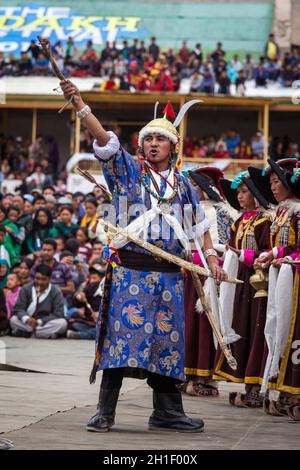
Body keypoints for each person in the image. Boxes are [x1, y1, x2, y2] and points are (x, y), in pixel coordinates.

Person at [60, 78, 228, 433]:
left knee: (166, 345)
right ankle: (105, 411)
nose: (153, 144)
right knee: (123, 341)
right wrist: (81, 105)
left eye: (160, 139)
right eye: (148, 138)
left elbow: (199, 227)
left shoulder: (184, 185)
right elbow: (106, 141)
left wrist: (211, 258)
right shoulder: (128, 172)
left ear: (173, 146)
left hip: (169, 275)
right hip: (130, 273)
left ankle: (167, 412)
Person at [214, 171, 272, 407]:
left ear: (256, 194)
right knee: (241, 328)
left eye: (243, 191)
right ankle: (249, 384)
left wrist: (245, 255)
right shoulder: (240, 221)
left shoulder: (265, 221)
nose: (238, 196)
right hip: (240, 287)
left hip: (258, 286)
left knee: (257, 331)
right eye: (237, 192)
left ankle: (257, 386)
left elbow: (269, 251)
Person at [249, 158, 300, 416]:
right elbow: (283, 245)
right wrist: (272, 254)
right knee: (275, 328)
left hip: (295, 279)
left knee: (292, 332)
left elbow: (297, 247)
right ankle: (277, 387)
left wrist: (287, 257)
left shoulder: (298, 211)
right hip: (281, 276)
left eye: (277, 181)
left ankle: (290, 390)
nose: (273, 187)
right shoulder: (281, 211)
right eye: (271, 183)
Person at [182, 167, 238, 396]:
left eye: (197, 186)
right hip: (185, 274)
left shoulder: (222, 212)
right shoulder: (185, 210)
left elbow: (225, 247)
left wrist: (204, 258)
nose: (193, 190)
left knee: (204, 326)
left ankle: (205, 376)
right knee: (185, 324)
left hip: (209, 275)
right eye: (191, 186)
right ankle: (183, 374)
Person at [10, 264, 67, 339]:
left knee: (62, 323)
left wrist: (40, 321)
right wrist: (27, 319)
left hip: (44, 323)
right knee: (13, 319)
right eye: (37, 278)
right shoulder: (26, 288)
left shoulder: (56, 291)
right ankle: (42, 334)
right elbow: (18, 309)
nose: (39, 282)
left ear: (49, 279)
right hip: (28, 323)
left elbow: (58, 313)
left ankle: (29, 333)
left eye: (43, 279)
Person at [66, 265, 103, 340]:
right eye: (91, 278)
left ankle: (80, 335)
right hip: (89, 322)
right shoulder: (88, 289)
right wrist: (78, 298)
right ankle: (87, 333)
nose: (92, 281)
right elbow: (77, 303)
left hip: (101, 324)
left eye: (95, 278)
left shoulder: (107, 293)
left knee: (100, 331)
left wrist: (100, 315)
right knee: (73, 324)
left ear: (102, 280)